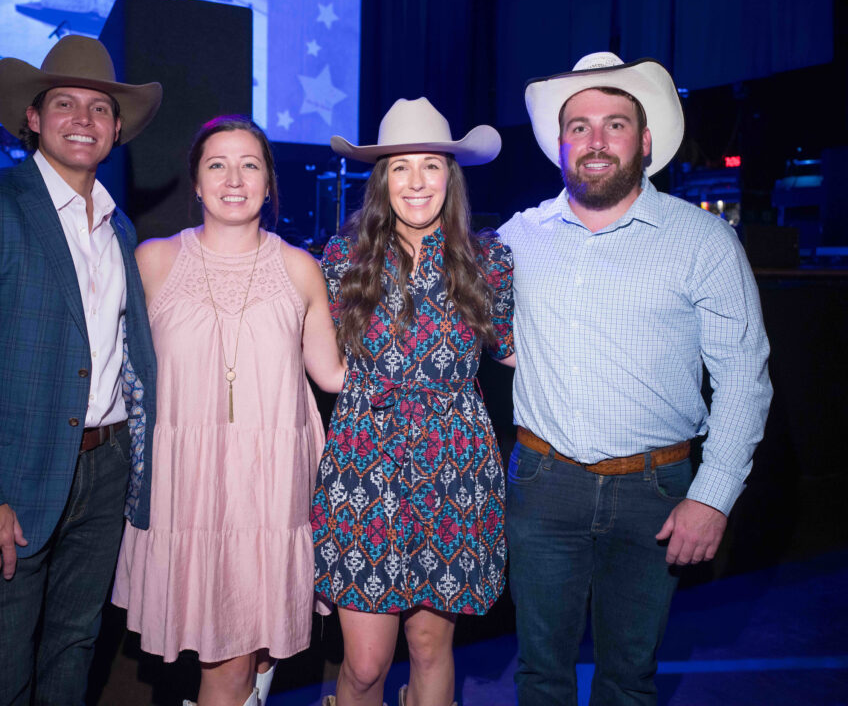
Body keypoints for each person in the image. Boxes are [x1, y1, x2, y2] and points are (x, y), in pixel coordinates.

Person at [497, 52, 773, 705]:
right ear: (560, 144)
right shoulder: (517, 237)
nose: (595, 141)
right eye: (580, 126)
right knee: (540, 675)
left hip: (655, 489)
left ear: (645, 142)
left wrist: (713, 496)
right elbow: (458, 311)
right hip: (542, 483)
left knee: (629, 678)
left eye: (614, 124)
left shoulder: (703, 239)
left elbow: (743, 373)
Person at [0, 34, 162, 704]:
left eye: (100, 108)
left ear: (116, 128)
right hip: (8, 482)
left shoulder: (121, 229)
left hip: (105, 474)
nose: (84, 118)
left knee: (74, 651)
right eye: (66, 104)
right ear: (33, 118)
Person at [112, 116, 346, 706]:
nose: (234, 179)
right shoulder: (153, 262)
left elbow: (335, 375)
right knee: (231, 652)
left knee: (244, 650)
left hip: (271, 488)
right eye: (217, 164)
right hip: (188, 487)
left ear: (269, 183)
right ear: (195, 182)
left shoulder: (300, 268)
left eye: (250, 165)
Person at [311, 98, 515, 706]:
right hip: (363, 471)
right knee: (367, 665)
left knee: (431, 651)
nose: (417, 181)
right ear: (382, 180)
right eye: (400, 167)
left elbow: (517, 353)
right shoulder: (342, 260)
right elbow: (321, 368)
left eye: (431, 165)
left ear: (451, 175)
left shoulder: (489, 260)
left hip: (455, 472)